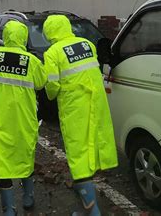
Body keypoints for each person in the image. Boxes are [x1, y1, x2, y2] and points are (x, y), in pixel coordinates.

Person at [42, 15, 118, 216]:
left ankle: (92, 212)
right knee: (96, 142)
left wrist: (50, 95)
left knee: (78, 154)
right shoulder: (85, 44)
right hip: (97, 102)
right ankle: (83, 190)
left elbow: (52, 85)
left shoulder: (52, 53)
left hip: (75, 108)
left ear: (50, 32)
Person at [0, 21, 47, 216]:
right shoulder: (31, 60)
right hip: (23, 120)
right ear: (24, 38)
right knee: (25, 157)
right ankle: (28, 197)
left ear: (7, 36)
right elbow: (41, 83)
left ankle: (9, 209)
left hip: (0, 119)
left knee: (2, 163)